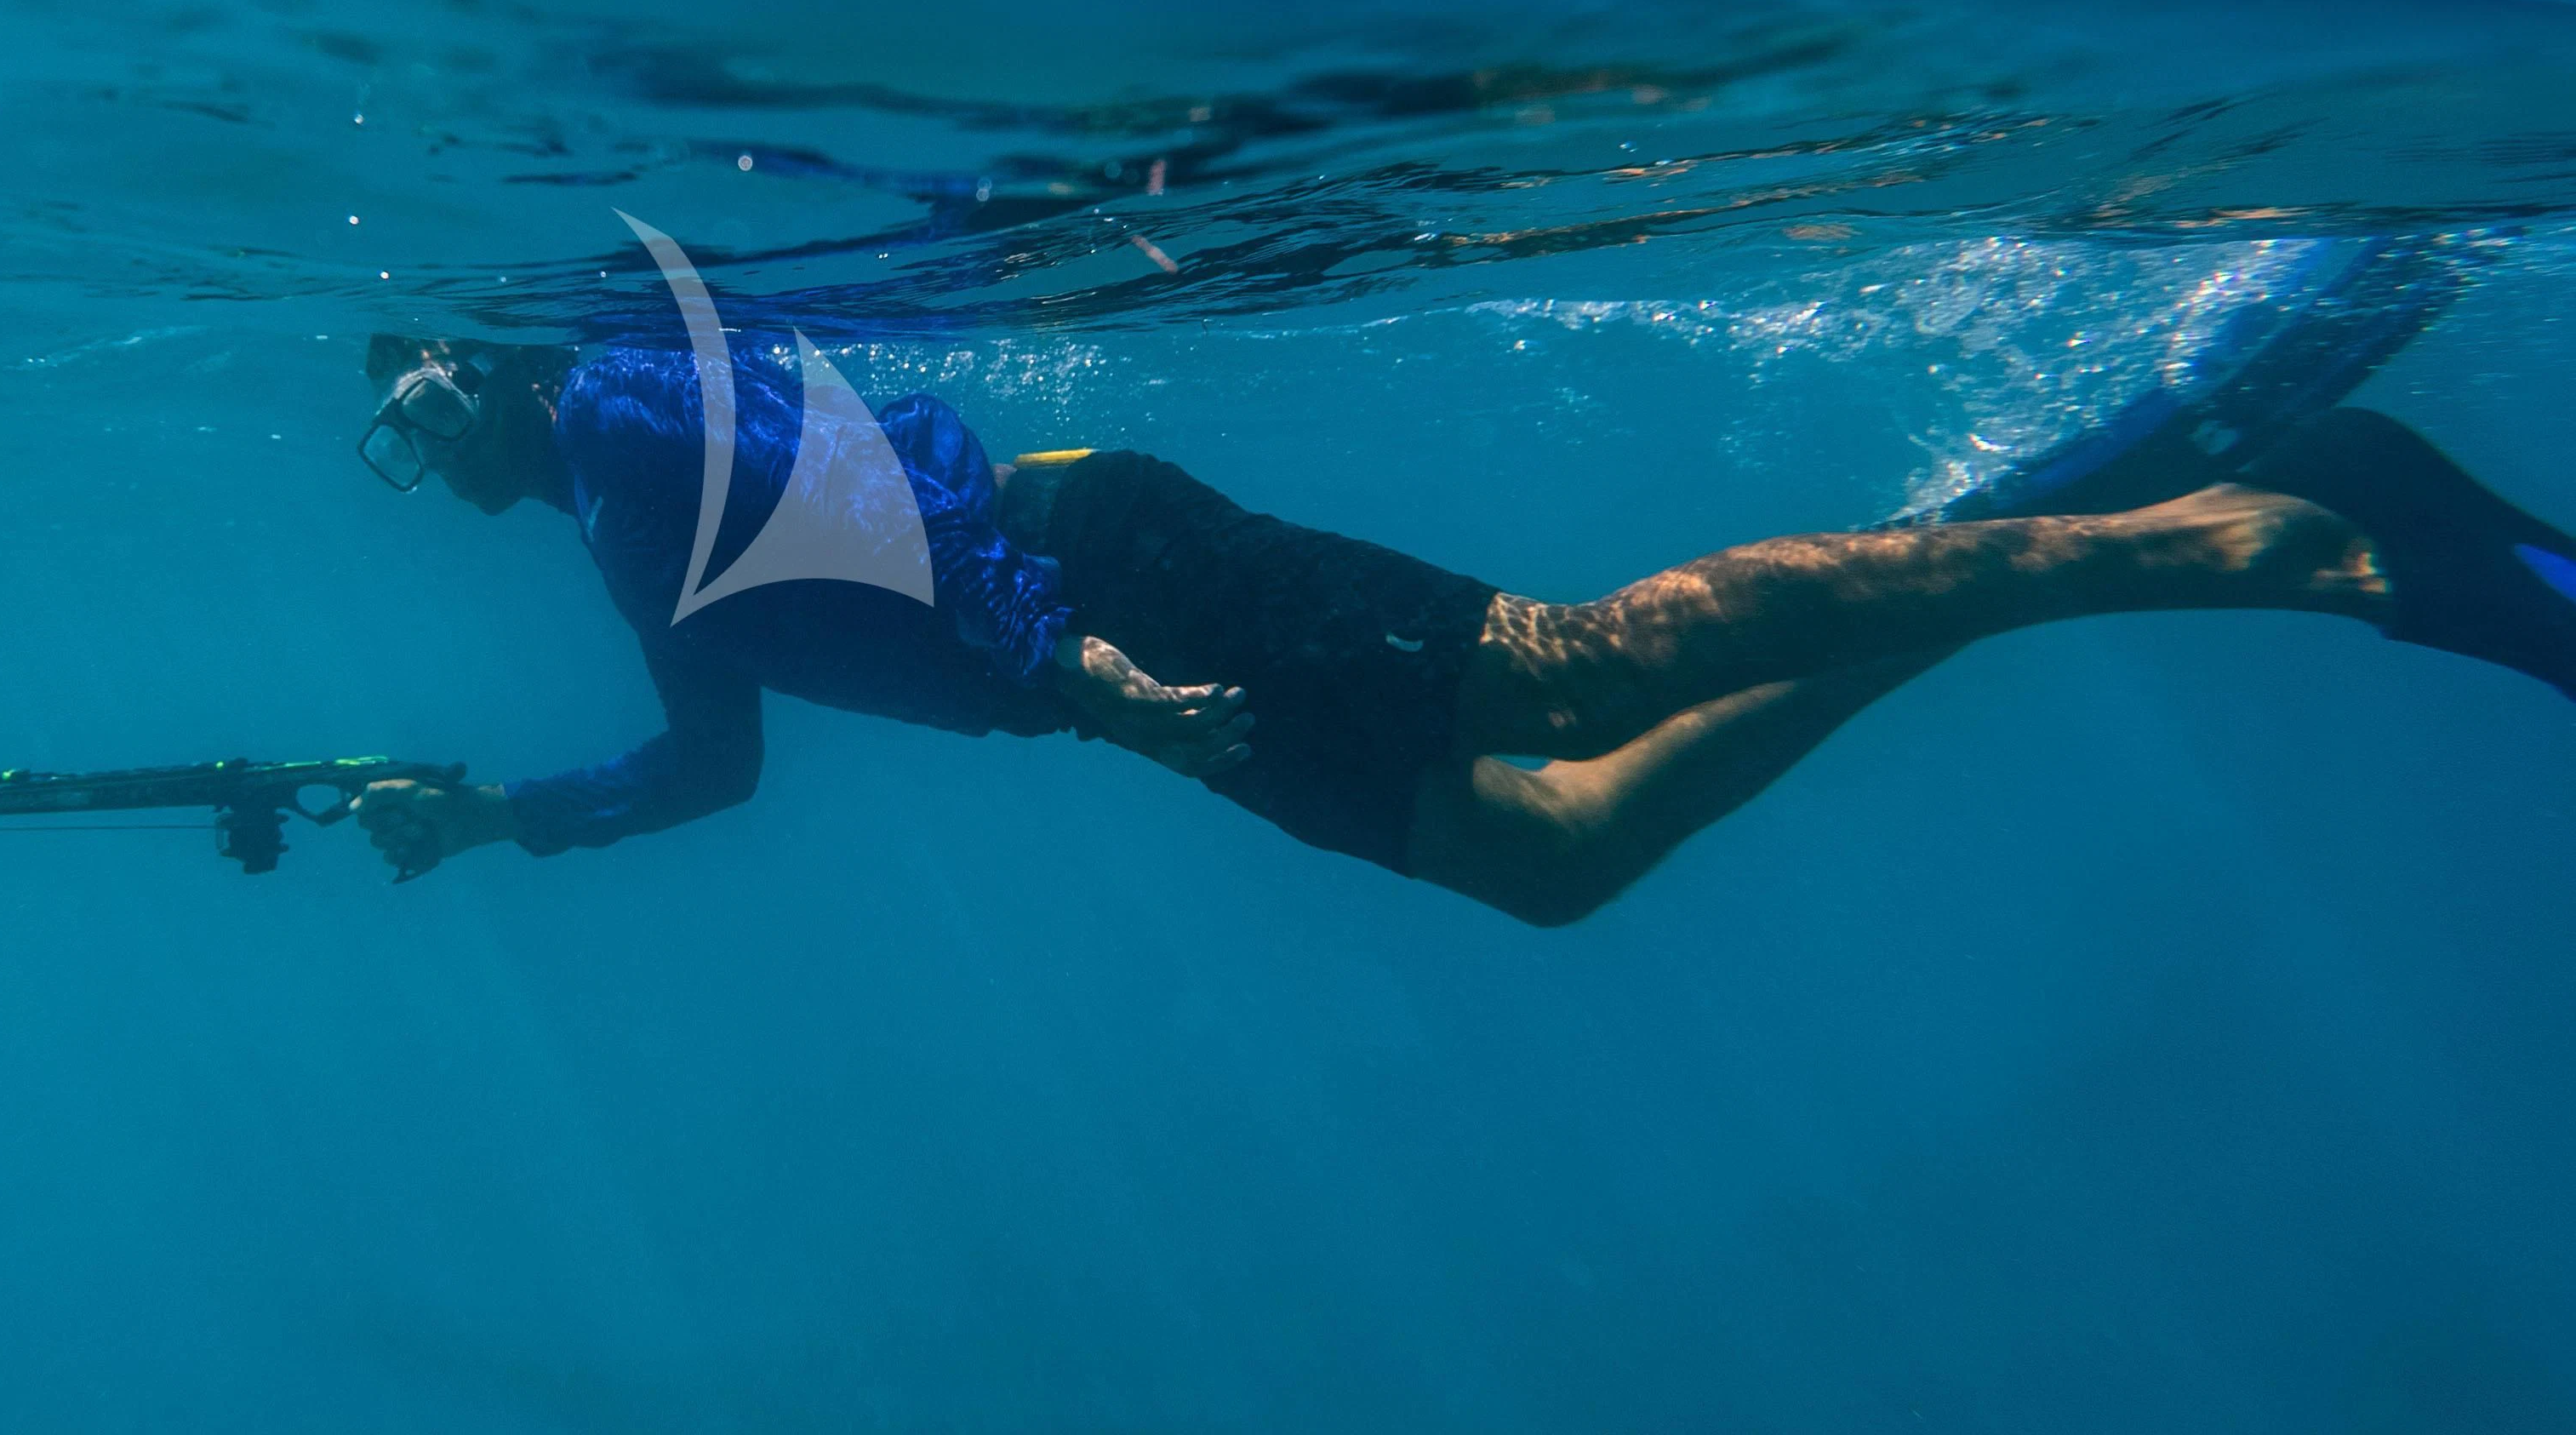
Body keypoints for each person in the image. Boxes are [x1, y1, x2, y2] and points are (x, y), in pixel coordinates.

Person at [347, 330, 2576, 925]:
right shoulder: (607, 535)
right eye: (392, 440)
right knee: (1553, 855)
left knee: (1584, 666)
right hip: (1097, 682)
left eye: (415, 404)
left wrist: (1075, 662)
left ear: (473, 365)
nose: (417, 457)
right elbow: (713, 757)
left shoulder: (622, 401)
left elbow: (889, 454)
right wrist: (490, 824)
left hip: (1117, 580)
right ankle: (2049, 567)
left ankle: (2303, 528)